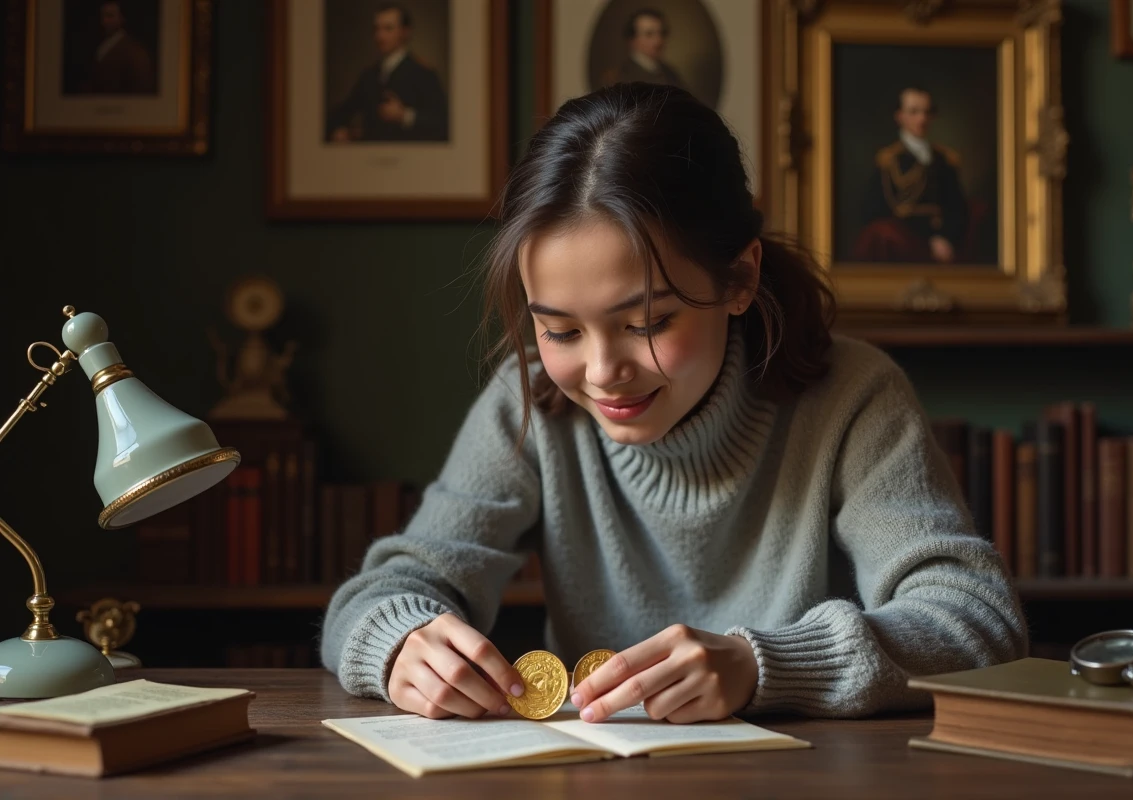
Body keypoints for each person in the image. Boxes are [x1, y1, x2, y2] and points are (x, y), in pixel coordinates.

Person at [320, 82, 1026, 724]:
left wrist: (760, 666)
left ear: (740, 277)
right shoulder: (528, 397)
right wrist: (399, 640)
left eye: (648, 323)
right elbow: (384, 591)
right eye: (559, 329)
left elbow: (975, 621)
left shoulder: (854, 395)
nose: (602, 374)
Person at [852, 87, 970, 264]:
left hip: (941, 241)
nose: (921, 119)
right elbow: (874, 211)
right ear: (900, 116)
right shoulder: (889, 160)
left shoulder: (944, 159)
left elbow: (957, 207)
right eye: (914, 112)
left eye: (926, 112)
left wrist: (946, 238)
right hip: (903, 240)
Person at [325, 3, 448, 143]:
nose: (380, 35)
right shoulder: (369, 75)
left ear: (405, 32)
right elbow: (345, 110)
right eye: (377, 29)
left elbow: (442, 123)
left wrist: (404, 116)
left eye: (388, 29)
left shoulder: (424, 74)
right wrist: (339, 128)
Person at [79, 0, 154, 95]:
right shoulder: (100, 46)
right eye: (102, 16)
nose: (104, 21)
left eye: (110, 16)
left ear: (122, 18)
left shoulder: (134, 51)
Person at [601, 9, 686, 92]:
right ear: (632, 40)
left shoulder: (670, 72)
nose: (658, 40)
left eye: (662, 33)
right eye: (649, 34)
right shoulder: (617, 77)